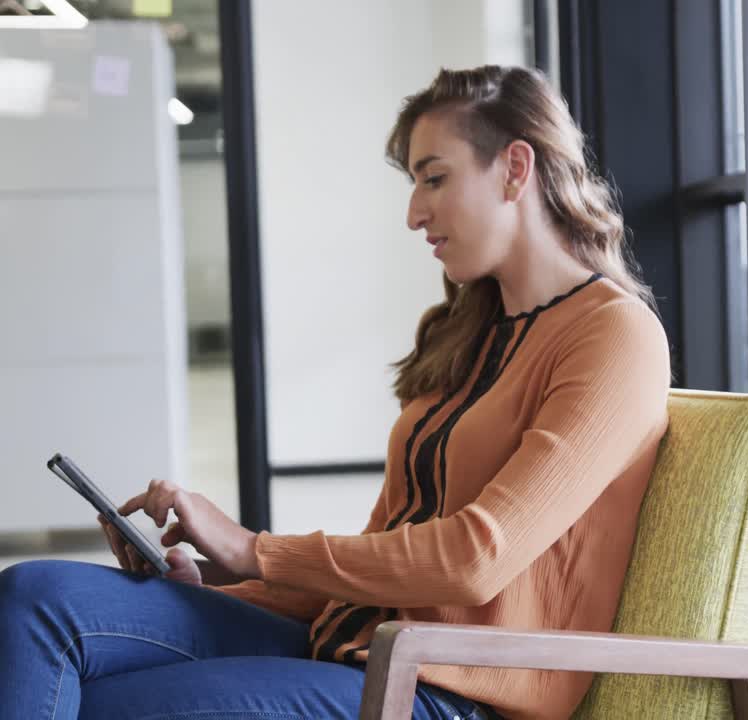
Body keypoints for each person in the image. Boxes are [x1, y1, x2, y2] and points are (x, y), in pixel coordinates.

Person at [0, 65, 671, 720]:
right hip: (350, 643)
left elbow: (476, 560)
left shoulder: (613, 336)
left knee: (108, 703)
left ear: (515, 169)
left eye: (435, 179)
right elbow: (386, 548)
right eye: (414, 184)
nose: (415, 213)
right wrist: (223, 584)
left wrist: (252, 548)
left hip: (447, 690)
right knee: (33, 595)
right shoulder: (471, 330)